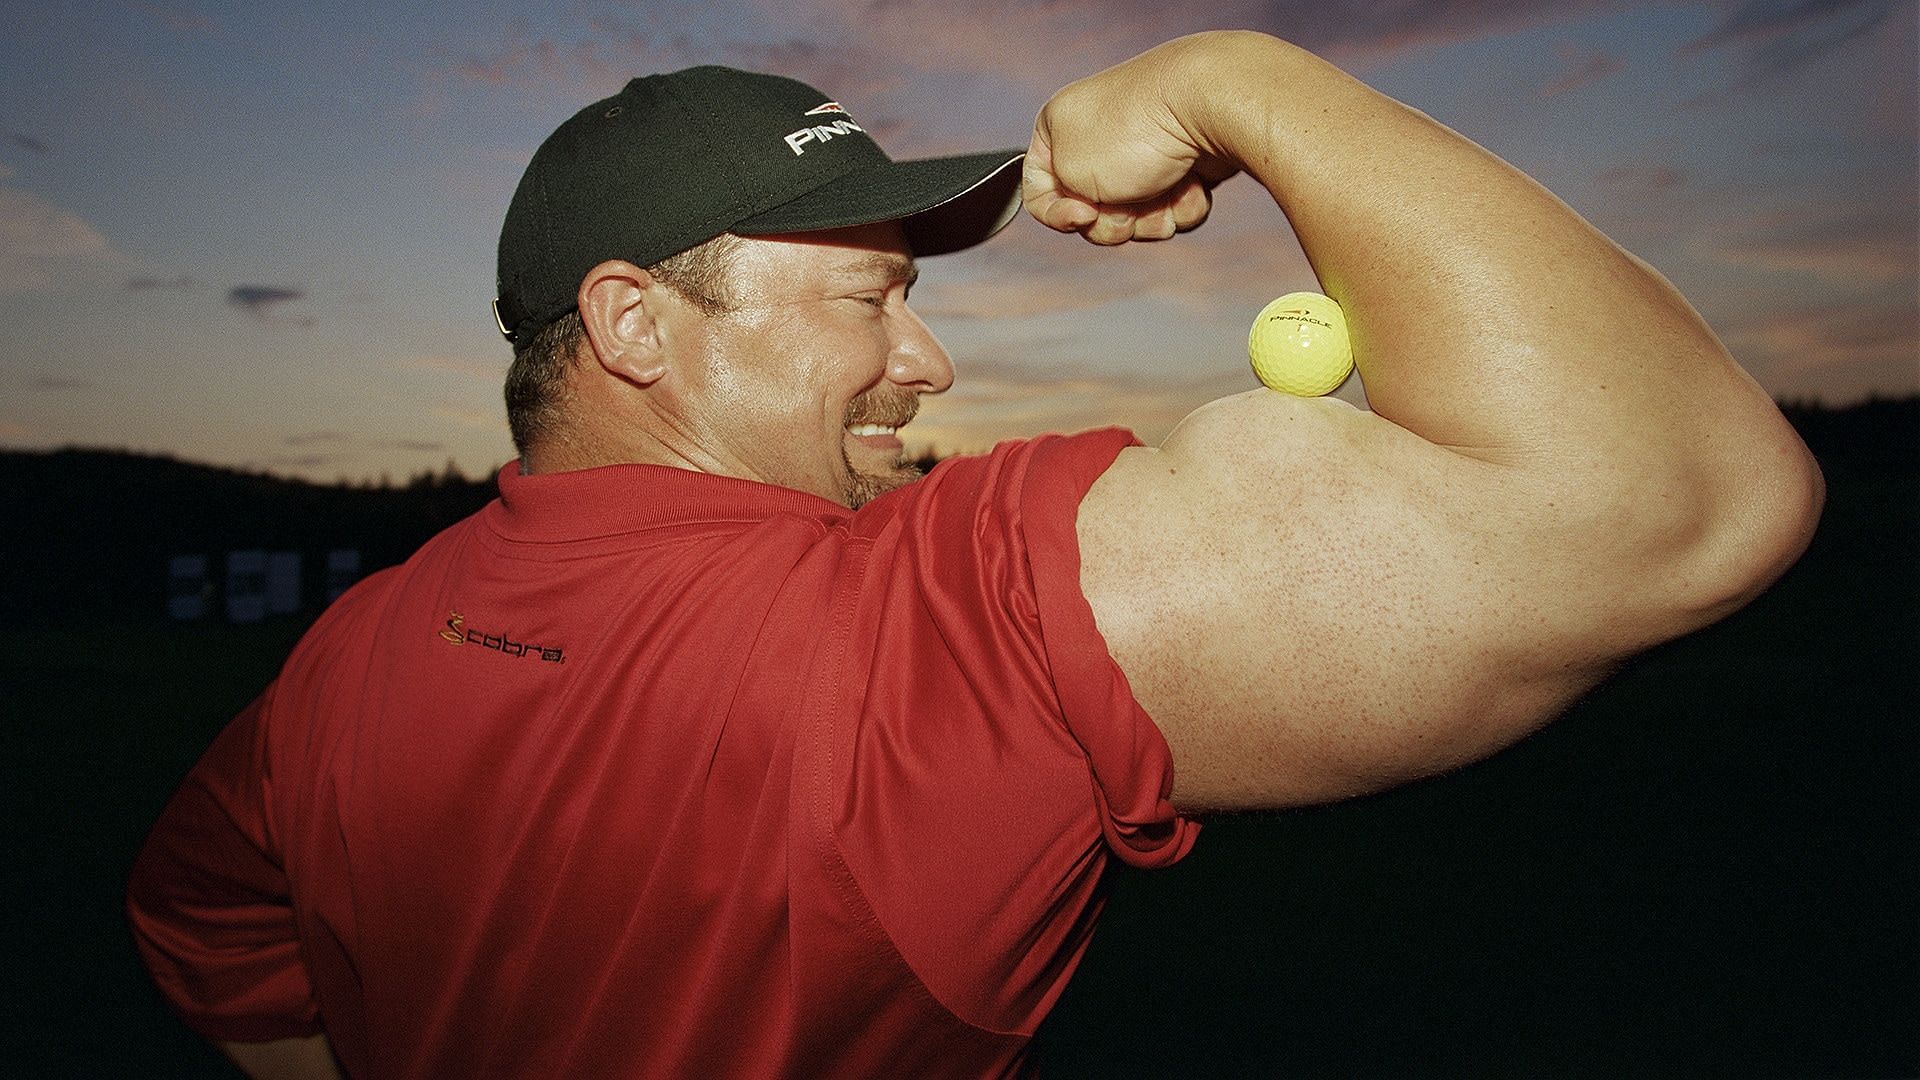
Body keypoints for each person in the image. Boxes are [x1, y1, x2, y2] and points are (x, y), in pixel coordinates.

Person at [127, 31, 1822, 1080]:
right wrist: (1242, 79)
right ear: (634, 323)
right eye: (873, 294)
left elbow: (211, 938)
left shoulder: (348, 657)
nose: (929, 365)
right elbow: (1675, 498)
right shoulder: (940, 623)